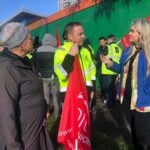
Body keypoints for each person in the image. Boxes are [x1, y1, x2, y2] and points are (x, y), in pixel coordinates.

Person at [0, 22, 54, 150]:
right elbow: (5, 113)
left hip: (35, 130)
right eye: (29, 37)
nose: (32, 39)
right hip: (25, 140)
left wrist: (44, 106)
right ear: (20, 43)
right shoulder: (6, 68)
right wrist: (14, 147)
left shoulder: (23, 61)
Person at [101, 18, 150, 149]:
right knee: (133, 132)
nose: (129, 34)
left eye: (132, 31)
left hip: (144, 102)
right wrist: (111, 64)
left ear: (142, 33)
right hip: (127, 100)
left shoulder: (148, 53)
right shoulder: (126, 51)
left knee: (144, 137)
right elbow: (123, 71)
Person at [54, 22, 96, 109]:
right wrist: (70, 56)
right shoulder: (60, 51)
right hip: (69, 95)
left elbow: (92, 70)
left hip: (86, 91)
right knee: (73, 122)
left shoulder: (85, 51)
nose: (84, 36)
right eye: (80, 34)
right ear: (69, 36)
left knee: (85, 119)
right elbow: (61, 74)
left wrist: (91, 89)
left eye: (83, 33)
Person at [36, 33, 60, 119]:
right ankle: (57, 115)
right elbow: (56, 64)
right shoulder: (56, 50)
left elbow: (37, 64)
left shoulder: (38, 50)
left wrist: (39, 73)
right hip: (53, 77)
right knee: (55, 96)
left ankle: (47, 113)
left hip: (43, 77)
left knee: (45, 96)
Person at [100, 34, 122, 109]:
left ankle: (109, 105)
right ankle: (113, 104)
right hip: (116, 71)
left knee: (108, 89)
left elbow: (101, 57)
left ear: (109, 39)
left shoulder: (107, 47)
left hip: (107, 71)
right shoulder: (119, 48)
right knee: (113, 89)